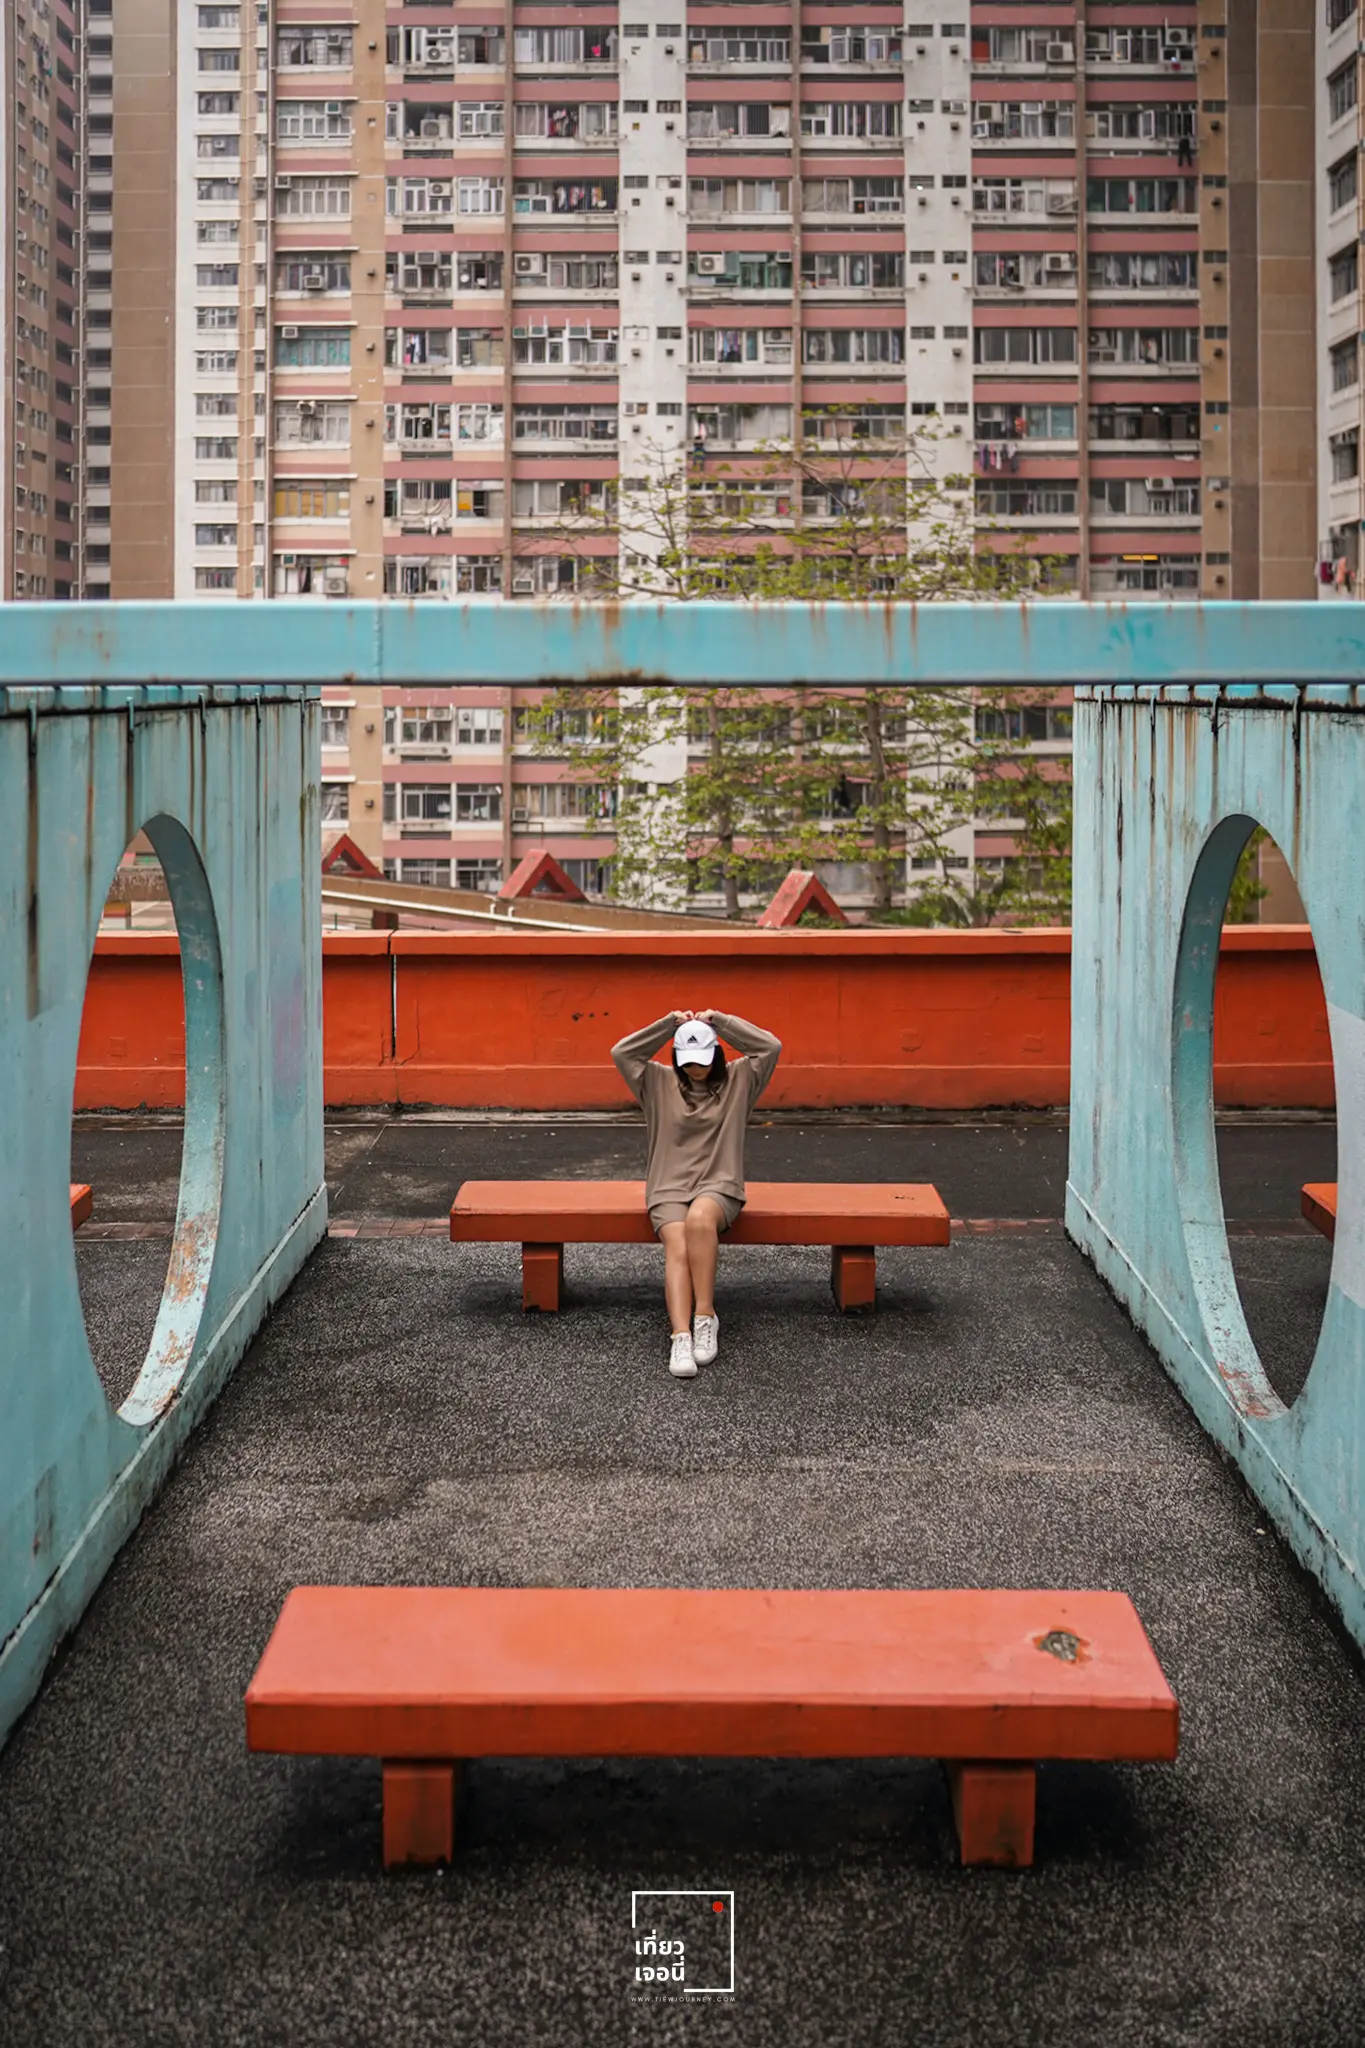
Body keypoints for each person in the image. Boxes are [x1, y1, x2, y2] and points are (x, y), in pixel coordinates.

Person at [611, 1007, 782, 1378]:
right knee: (678, 1244)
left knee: (700, 1220)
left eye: (702, 1059)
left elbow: (770, 1047)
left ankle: (705, 1317)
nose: (694, 1068)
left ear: (717, 1053)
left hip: (718, 1184)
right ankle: (681, 1336)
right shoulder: (655, 1082)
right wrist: (667, 1026)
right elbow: (622, 1053)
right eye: (686, 1061)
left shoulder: (741, 1080)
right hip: (667, 1186)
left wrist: (719, 1022)